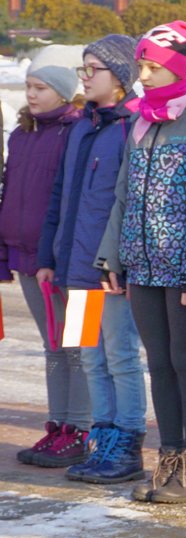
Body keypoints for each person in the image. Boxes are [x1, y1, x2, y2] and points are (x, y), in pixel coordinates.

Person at [97, 22, 186, 503]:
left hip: (184, 269)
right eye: (141, 66)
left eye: (152, 66)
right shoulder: (140, 119)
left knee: (184, 361)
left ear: (175, 65)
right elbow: (123, 196)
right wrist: (114, 256)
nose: (143, 76)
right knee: (158, 363)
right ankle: (170, 461)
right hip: (142, 263)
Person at [38, 35, 148, 484]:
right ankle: (101, 442)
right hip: (76, 271)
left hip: (110, 275)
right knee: (90, 358)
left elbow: (131, 204)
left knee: (120, 357)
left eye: (92, 70)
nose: (84, 78)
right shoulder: (82, 127)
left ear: (120, 78)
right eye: (82, 70)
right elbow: (61, 197)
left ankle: (128, 442)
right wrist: (50, 256)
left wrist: (118, 262)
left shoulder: (132, 126)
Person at [3, 63, 85, 467]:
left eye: (40, 88)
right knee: (52, 346)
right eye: (28, 87)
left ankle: (80, 428)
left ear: (64, 92)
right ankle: (58, 424)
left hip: (57, 259)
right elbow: (9, 192)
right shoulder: (21, 135)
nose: (31, 95)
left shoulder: (74, 132)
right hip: (24, 255)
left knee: (75, 346)